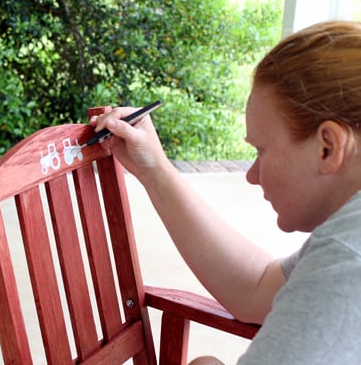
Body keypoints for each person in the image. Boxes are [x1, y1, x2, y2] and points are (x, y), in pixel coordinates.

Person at [90, 20, 361, 365]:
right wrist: (154, 168)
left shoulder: (347, 261)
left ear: (327, 147)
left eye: (261, 150)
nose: (251, 175)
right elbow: (258, 289)